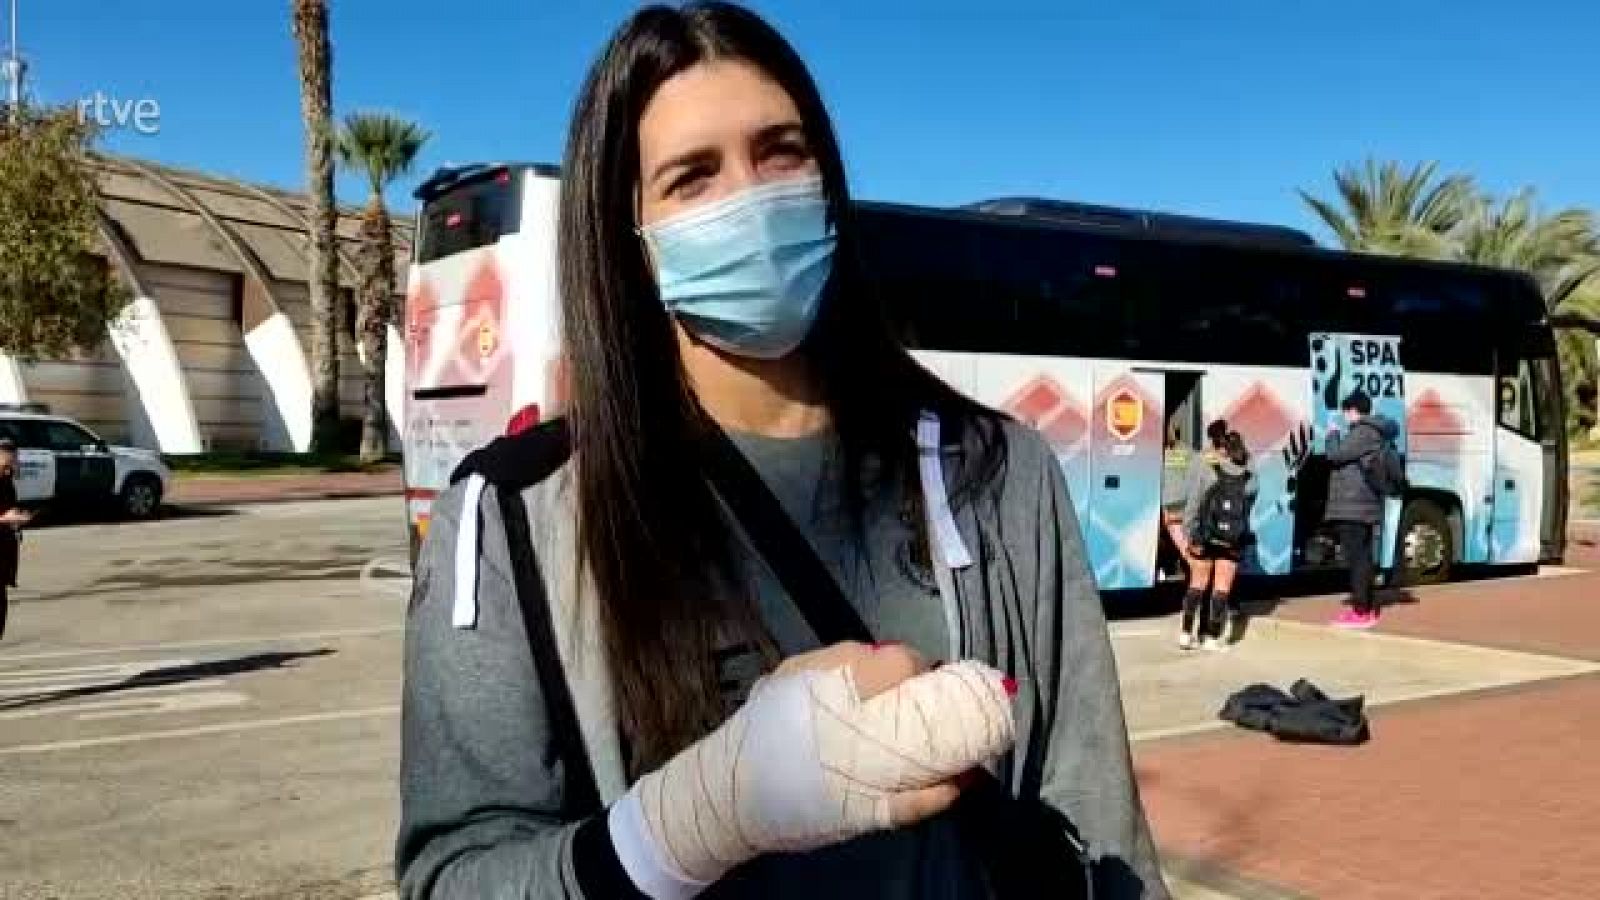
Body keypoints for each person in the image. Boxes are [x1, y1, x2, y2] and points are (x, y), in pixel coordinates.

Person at [395, 4, 1168, 898]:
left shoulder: (999, 471)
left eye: (780, 152)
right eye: (692, 177)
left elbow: (1097, 818)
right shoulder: (511, 520)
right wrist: (692, 820)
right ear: (628, 236)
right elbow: (455, 876)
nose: (751, 199)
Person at [1174, 421, 1255, 649]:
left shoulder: (1206, 467)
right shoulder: (1249, 478)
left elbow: (1193, 504)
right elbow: (1250, 505)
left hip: (1206, 535)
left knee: (1197, 584)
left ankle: (1186, 633)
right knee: (1221, 589)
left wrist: (1190, 535)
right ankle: (1211, 637)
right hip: (1232, 540)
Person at [1324, 390, 1400, 629]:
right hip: (1362, 505)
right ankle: (1366, 607)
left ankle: (1361, 611)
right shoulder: (1371, 432)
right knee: (1363, 557)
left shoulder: (1363, 433)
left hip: (1354, 506)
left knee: (1358, 559)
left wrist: (1332, 435)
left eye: (1345, 411)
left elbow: (1335, 455)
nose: (1344, 415)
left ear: (1353, 410)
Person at [0, 439, 31, 641]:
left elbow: (8, 509)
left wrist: (16, 519)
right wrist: (5, 518)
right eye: (7, 457)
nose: (12, 462)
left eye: (13, 457)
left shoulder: (7, 481)